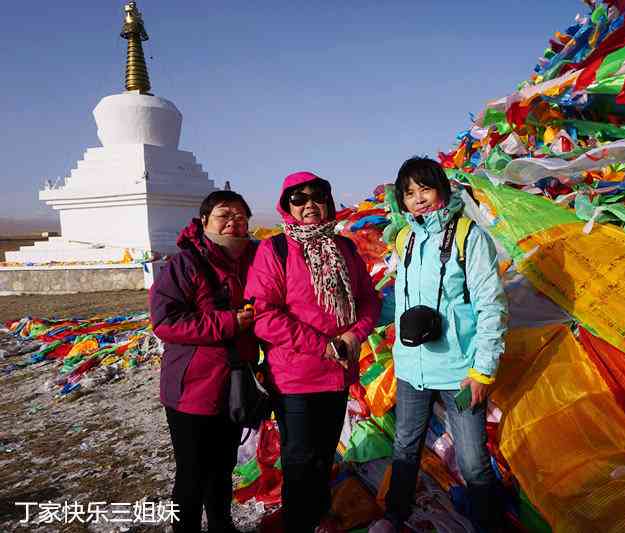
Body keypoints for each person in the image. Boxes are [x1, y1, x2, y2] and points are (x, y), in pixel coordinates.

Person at [245, 171, 380, 532]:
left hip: (337, 374)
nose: (309, 205)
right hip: (295, 378)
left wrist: (355, 335)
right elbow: (263, 316)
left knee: (323, 454)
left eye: (317, 196)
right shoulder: (274, 251)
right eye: (298, 199)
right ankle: (299, 522)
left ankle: (318, 516)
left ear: (328, 201)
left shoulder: (345, 248)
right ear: (286, 206)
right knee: (300, 460)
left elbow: (368, 300)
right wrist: (323, 345)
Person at [383, 157, 508, 531]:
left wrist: (483, 371)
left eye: (425, 188)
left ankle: (488, 524)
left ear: (441, 189)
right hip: (411, 369)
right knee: (405, 448)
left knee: (473, 461)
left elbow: (492, 305)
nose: (418, 199)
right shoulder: (404, 237)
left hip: (460, 371)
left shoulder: (469, 235)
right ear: (401, 201)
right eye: (409, 193)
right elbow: (398, 300)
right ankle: (395, 516)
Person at [150, 190, 258, 533]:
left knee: (223, 465)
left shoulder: (253, 259)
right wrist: (229, 323)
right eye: (224, 215)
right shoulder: (184, 264)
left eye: (241, 216)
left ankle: (222, 525)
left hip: (234, 382)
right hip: (192, 388)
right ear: (204, 221)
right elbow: (165, 322)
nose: (233, 222)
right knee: (192, 471)